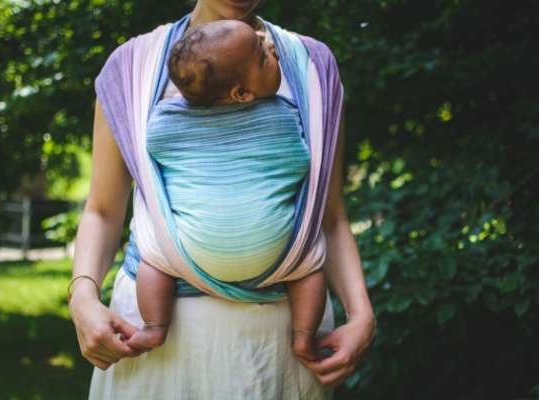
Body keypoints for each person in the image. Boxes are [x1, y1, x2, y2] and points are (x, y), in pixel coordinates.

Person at [68, 1, 376, 398]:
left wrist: (361, 313)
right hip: (156, 348)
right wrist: (82, 297)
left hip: (278, 347)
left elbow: (329, 217)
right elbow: (102, 211)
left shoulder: (311, 66)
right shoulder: (131, 67)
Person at [129, 19, 328, 362]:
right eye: (262, 56)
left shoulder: (163, 121)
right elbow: (301, 164)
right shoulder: (281, 118)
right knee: (309, 268)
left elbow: (153, 157)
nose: (271, 49)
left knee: (154, 259)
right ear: (242, 94)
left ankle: (154, 326)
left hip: (189, 251)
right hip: (276, 254)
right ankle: (302, 338)